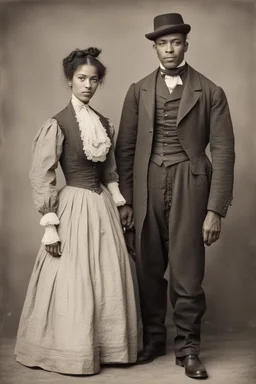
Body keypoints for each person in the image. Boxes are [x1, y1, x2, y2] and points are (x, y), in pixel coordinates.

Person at [115, 13, 235, 379]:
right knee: (147, 268)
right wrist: (128, 201)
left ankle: (188, 349)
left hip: (190, 184)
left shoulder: (211, 91)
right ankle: (154, 340)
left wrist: (215, 209)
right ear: (155, 48)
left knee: (187, 271)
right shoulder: (138, 90)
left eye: (176, 42)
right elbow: (126, 149)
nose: (169, 49)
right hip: (148, 181)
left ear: (186, 44)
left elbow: (225, 152)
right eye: (162, 43)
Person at [15, 47, 139, 376]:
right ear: (69, 80)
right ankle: (72, 351)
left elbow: (109, 169)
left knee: (106, 275)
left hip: (102, 207)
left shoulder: (103, 123)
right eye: (81, 79)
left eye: (94, 80)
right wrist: (50, 225)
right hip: (73, 204)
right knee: (73, 278)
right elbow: (41, 175)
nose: (88, 85)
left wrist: (120, 201)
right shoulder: (57, 124)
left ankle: (108, 347)